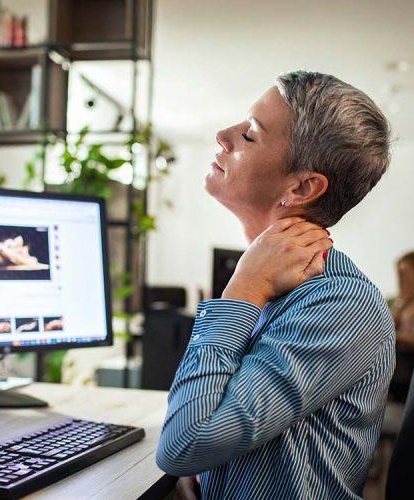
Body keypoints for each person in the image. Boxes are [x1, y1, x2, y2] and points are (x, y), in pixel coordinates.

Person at [156, 71, 395, 499]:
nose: (223, 136)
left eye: (249, 135)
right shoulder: (270, 285)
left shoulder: (339, 303)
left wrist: (241, 293)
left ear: (302, 187)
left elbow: (185, 444)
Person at [388, 252, 414, 400]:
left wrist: (396, 336)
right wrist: (402, 297)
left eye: (406, 273)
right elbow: (388, 326)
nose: (402, 279)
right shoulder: (401, 302)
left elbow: (387, 332)